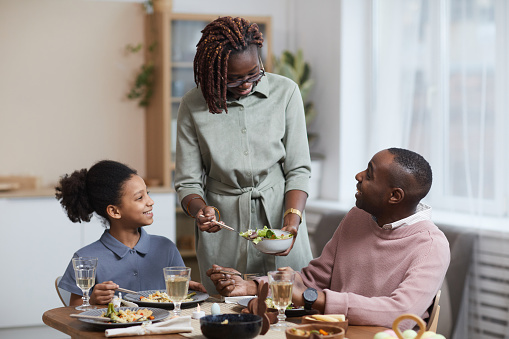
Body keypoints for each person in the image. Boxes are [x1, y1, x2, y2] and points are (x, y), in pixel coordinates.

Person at [207, 148, 450, 330]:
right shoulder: (357, 217)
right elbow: (314, 281)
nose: (359, 175)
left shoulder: (431, 245)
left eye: (370, 174)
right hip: (331, 332)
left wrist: (313, 298)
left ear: (394, 196)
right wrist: (252, 286)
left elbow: (402, 313)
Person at [174, 16, 313, 292]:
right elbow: (187, 182)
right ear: (214, 71)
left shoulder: (286, 92)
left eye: (253, 74)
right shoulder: (193, 104)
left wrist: (291, 222)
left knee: (287, 304)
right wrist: (201, 211)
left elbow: (298, 169)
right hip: (225, 230)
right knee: (226, 317)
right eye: (234, 79)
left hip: (279, 220)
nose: (247, 84)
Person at [56, 160, 205, 306]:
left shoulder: (166, 248)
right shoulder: (85, 258)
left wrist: (188, 290)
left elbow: (179, 298)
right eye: (140, 197)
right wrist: (92, 300)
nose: (150, 201)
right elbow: (73, 312)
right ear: (114, 211)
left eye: (148, 193)